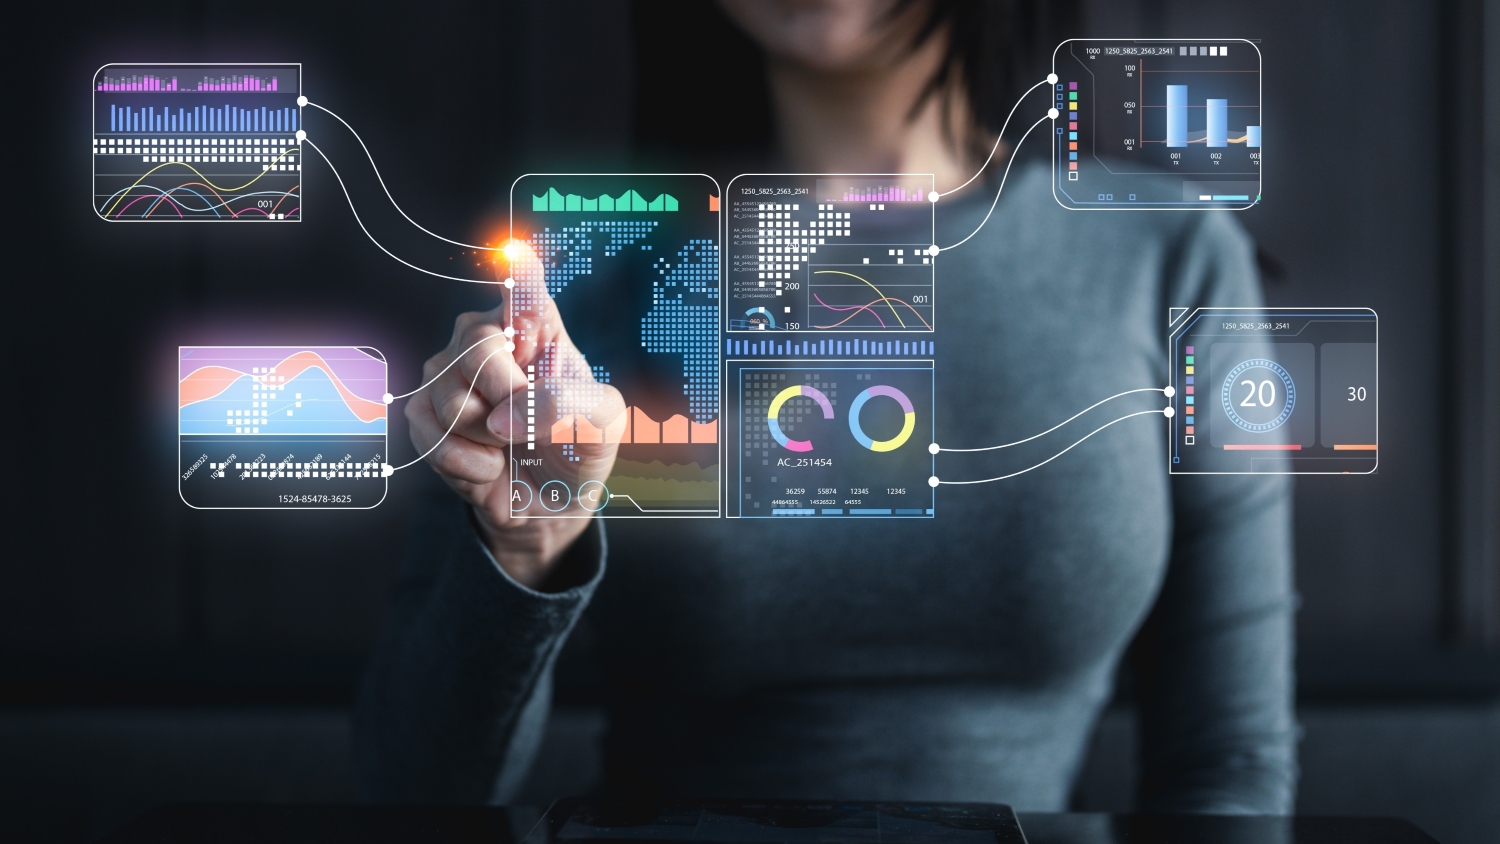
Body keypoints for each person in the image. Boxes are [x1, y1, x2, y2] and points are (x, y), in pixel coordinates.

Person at [355, 0, 1297, 812]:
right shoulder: (576, 277)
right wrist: (525, 552)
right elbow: (414, 790)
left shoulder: (1163, 253)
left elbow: (1229, 766)